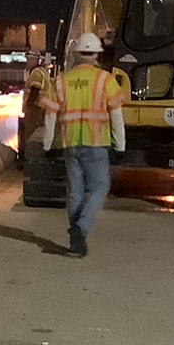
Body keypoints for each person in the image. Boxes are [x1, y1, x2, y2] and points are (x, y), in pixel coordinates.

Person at [40, 32, 125, 255]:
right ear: (97, 54)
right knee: (99, 188)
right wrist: (121, 146)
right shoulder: (105, 80)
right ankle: (81, 228)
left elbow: (49, 116)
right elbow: (116, 116)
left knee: (75, 191)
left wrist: (48, 146)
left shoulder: (61, 81)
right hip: (97, 143)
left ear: (76, 54)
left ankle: (76, 242)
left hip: (70, 143)